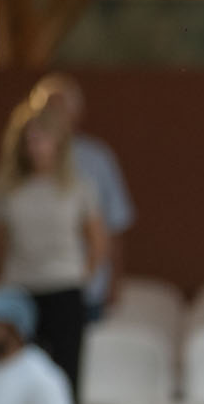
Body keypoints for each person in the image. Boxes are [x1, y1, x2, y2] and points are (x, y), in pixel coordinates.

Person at [0, 99, 105, 404]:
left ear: (58, 144)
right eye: (29, 140)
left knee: (65, 380)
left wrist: (78, 276)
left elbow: (97, 241)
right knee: (15, 377)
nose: (35, 147)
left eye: (42, 140)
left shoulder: (78, 187)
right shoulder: (6, 188)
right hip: (20, 294)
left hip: (64, 291)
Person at [27, 75, 134, 320]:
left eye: (60, 109)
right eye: (47, 110)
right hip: (33, 285)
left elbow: (113, 227)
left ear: (77, 113)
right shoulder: (22, 166)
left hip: (82, 288)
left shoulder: (96, 160)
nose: (54, 117)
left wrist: (112, 282)